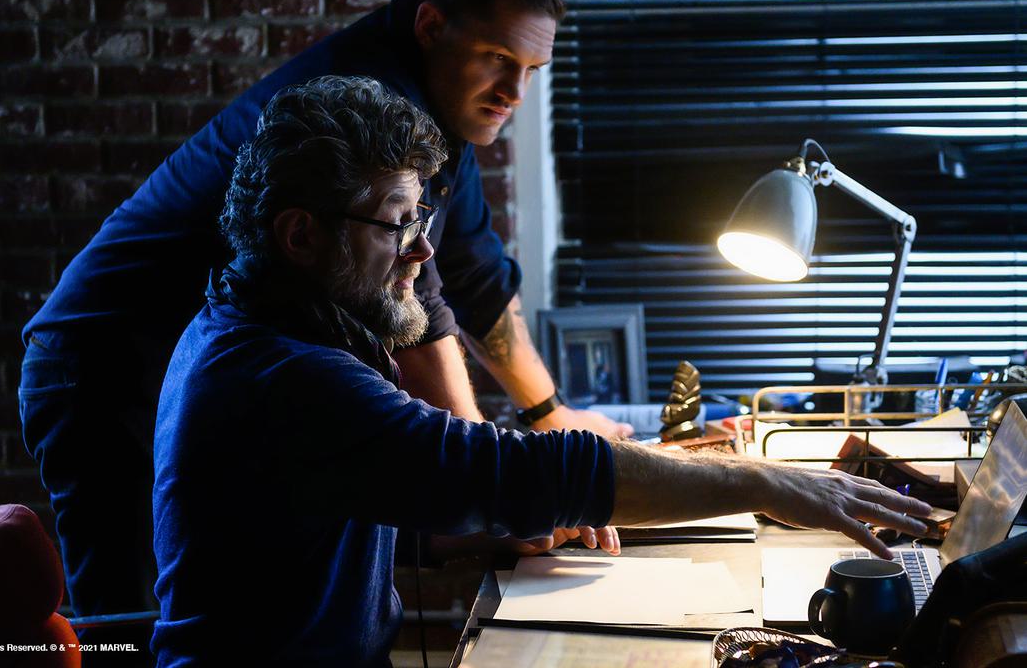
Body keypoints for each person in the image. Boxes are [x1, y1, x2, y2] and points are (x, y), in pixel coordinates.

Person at [152, 75, 933, 666]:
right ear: (299, 236)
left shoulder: (253, 328)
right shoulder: (282, 377)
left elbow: (344, 513)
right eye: (396, 222)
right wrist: (764, 482)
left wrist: (478, 531)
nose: (423, 250)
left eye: (421, 218)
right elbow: (501, 469)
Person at [17, 0, 631, 644]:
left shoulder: (444, 107)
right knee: (135, 631)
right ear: (431, 26)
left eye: (531, 69)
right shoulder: (368, 109)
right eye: (498, 58)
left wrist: (548, 414)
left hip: (207, 368)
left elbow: (475, 274)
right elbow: (424, 303)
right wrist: (494, 485)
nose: (515, 92)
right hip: (102, 368)